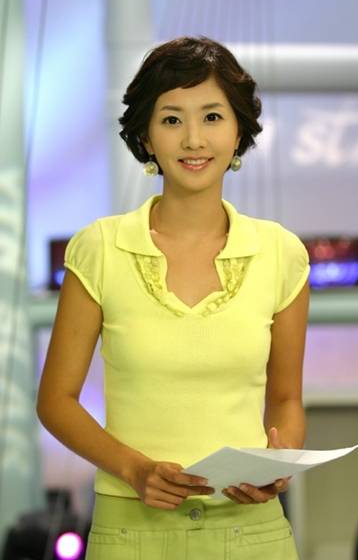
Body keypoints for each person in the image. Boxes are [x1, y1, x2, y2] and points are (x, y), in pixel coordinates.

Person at [36, 35, 310, 559]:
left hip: (253, 534)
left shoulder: (281, 253)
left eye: (212, 117)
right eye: (171, 119)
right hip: (131, 534)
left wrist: (280, 462)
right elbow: (55, 401)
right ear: (146, 134)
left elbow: (286, 400)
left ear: (238, 131)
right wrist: (134, 469)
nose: (193, 139)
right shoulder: (99, 248)